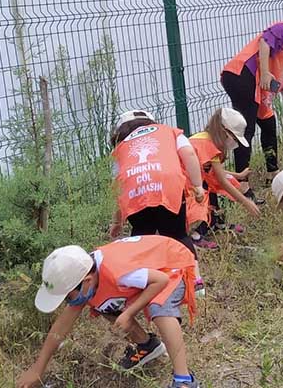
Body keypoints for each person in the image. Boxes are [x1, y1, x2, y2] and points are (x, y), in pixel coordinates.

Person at [17, 236, 200, 388]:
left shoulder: (118, 272)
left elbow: (161, 280)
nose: (68, 301)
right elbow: (61, 328)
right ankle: (147, 345)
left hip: (171, 264)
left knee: (159, 306)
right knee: (104, 304)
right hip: (149, 273)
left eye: (67, 296)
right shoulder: (85, 277)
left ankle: (184, 380)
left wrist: (129, 313)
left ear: (87, 281)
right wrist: (37, 369)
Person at [221, 14, 283, 201]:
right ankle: (242, 185)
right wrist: (266, 73)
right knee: (246, 129)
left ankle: (272, 173)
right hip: (242, 75)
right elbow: (265, 42)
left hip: (259, 88)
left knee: (268, 124)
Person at [108, 110, 205, 294]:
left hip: (135, 190)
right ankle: (196, 282)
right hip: (167, 185)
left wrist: (117, 222)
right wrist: (198, 185)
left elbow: (118, 185)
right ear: (150, 121)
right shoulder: (168, 131)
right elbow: (189, 154)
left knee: (142, 237)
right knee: (177, 234)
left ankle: (144, 285)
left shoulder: (120, 148)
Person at [185, 108, 262, 248]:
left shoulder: (204, 138)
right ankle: (193, 236)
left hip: (189, 180)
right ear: (223, 131)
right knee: (201, 197)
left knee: (209, 185)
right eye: (233, 138)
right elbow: (222, 180)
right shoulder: (208, 145)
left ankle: (214, 222)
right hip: (185, 185)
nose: (234, 142)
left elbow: (214, 172)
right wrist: (246, 202)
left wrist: (238, 176)